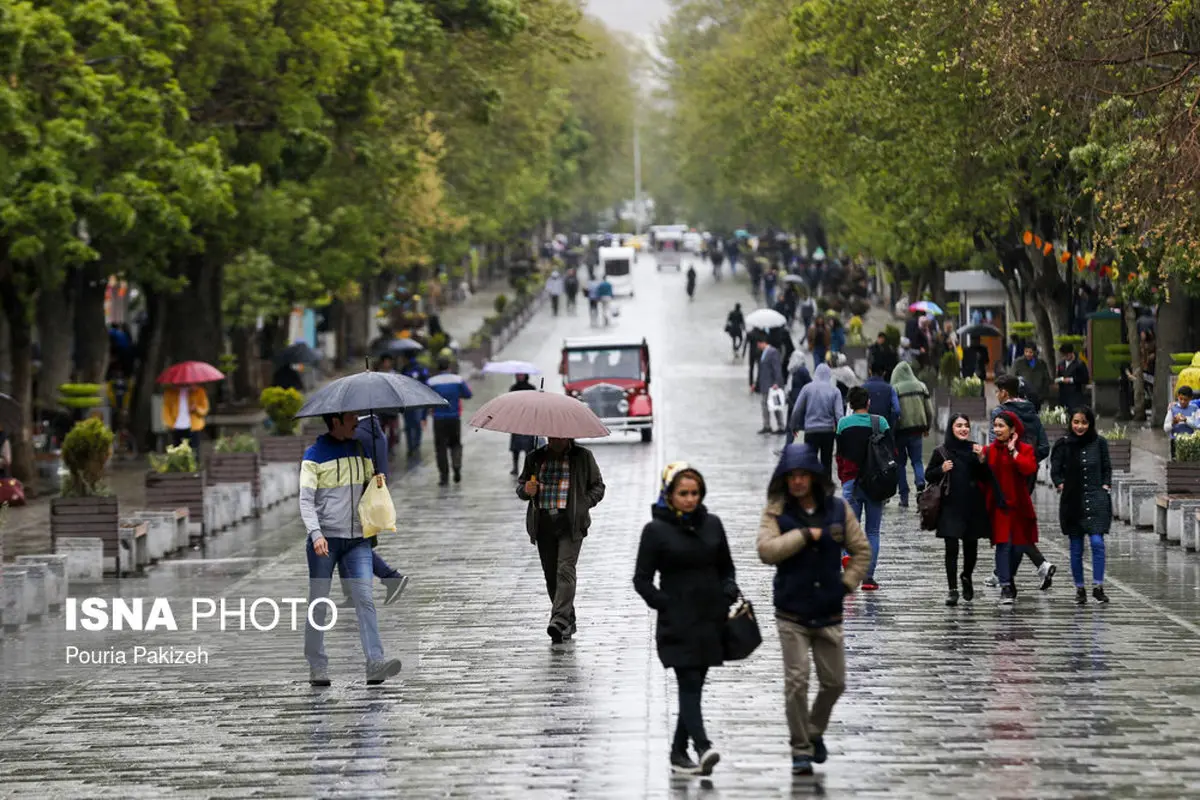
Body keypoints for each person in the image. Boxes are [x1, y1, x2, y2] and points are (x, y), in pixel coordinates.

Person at [756, 444, 871, 777]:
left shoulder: (838, 509)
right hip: (791, 610)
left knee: (834, 683)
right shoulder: (776, 511)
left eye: (803, 474)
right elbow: (766, 550)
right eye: (792, 475)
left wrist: (846, 585)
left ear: (815, 477)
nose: (798, 481)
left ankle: (814, 731)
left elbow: (860, 550)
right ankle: (801, 749)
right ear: (784, 479)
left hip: (829, 609)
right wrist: (803, 535)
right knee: (797, 681)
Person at [633, 462, 737, 776]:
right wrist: (665, 604)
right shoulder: (655, 531)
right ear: (670, 495)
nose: (690, 499)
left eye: (695, 493)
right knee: (689, 683)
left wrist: (728, 590)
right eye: (683, 493)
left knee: (694, 686)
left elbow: (726, 567)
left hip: (710, 620)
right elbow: (642, 580)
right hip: (677, 622)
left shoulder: (713, 524)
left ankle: (678, 751)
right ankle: (703, 746)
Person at [300, 411, 403, 686]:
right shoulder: (314, 455)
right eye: (351, 421)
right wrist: (316, 534)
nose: (357, 425)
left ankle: (375, 663)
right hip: (325, 541)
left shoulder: (360, 449)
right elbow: (306, 501)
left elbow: (370, 484)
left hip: (357, 539)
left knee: (365, 599)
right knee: (319, 603)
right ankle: (317, 665)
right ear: (335, 421)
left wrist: (377, 481)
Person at [517, 437, 606, 643]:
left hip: (570, 524)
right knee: (551, 575)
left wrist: (584, 504)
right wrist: (526, 490)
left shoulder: (583, 457)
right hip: (543, 523)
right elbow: (522, 486)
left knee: (564, 570)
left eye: (560, 436)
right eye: (551, 436)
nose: (556, 439)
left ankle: (558, 620)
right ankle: (568, 619)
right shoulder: (535, 457)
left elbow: (598, 487)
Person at [925, 415, 991, 606]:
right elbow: (929, 475)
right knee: (951, 548)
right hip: (949, 506)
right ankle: (952, 589)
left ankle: (966, 576)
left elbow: (986, 478)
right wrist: (941, 469)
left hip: (972, 507)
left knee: (971, 548)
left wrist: (982, 460)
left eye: (966, 426)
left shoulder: (974, 449)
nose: (963, 429)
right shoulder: (942, 451)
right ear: (951, 429)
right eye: (958, 426)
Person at [1050, 406, 1112, 605]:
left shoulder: (1099, 443)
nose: (1079, 426)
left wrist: (1105, 485)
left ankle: (1098, 586)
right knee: (1076, 547)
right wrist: (1061, 484)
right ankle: (1080, 588)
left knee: (1097, 543)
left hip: (1096, 499)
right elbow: (1055, 469)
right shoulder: (1063, 445)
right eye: (1076, 422)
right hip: (1072, 500)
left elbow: (1106, 467)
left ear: (1090, 423)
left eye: (1084, 422)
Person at [835, 387, 893, 590]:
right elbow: (891, 453)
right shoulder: (881, 423)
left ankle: (849, 558)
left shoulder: (843, 424)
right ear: (868, 403)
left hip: (851, 483)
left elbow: (840, 456)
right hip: (875, 483)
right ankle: (868, 578)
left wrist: (844, 479)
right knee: (873, 531)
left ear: (850, 404)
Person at [986, 411, 1040, 605]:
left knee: (1017, 547)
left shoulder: (1024, 449)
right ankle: (1005, 585)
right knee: (1003, 544)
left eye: (1002, 426)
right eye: (996, 426)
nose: (997, 430)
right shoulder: (990, 450)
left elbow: (1029, 468)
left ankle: (1009, 578)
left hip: (1019, 506)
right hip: (999, 506)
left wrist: (1013, 451)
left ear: (1013, 430)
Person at [889, 362, 933, 508]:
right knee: (917, 461)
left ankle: (904, 497)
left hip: (900, 432)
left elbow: (893, 411)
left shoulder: (895, 388)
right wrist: (927, 426)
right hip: (917, 430)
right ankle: (920, 482)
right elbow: (930, 410)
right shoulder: (921, 386)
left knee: (900, 464)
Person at [788, 363, 844, 475]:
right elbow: (839, 415)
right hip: (828, 432)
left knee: (810, 462)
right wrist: (841, 432)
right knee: (826, 462)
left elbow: (797, 410)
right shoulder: (835, 391)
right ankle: (826, 488)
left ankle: (812, 488)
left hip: (811, 431)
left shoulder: (807, 388)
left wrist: (793, 426)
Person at [428, 357, 473, 486]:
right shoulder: (457, 380)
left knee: (440, 448)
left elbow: (427, 398)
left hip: (439, 419)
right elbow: (468, 394)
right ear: (449, 367)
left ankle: (444, 476)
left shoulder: (432, 381)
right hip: (454, 418)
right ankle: (457, 467)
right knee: (456, 444)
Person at [399, 352, 430, 458]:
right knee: (410, 425)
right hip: (409, 401)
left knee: (414, 423)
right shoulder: (405, 368)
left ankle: (414, 445)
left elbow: (426, 383)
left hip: (416, 400)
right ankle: (412, 446)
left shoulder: (418, 369)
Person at [162, 383, 209, 452]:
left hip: (193, 427)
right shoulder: (170, 392)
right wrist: (169, 424)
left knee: (194, 452)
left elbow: (204, 409)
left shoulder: (199, 391)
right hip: (176, 426)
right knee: (177, 453)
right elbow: (166, 410)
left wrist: (196, 408)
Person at [508, 373, 537, 475]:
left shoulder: (531, 388)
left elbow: (535, 404)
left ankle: (528, 468)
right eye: (518, 375)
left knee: (529, 447)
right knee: (515, 447)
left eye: (522, 375)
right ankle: (515, 467)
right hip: (517, 420)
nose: (520, 377)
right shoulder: (513, 388)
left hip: (528, 420)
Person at [755, 337, 785, 434]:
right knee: (764, 405)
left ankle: (781, 426)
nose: (757, 346)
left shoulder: (773, 352)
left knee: (775, 405)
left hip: (772, 385)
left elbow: (777, 368)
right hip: (765, 384)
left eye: (758, 344)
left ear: (762, 343)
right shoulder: (764, 353)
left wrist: (777, 382)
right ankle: (767, 425)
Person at [1163, 385, 1200, 458]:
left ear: (1190, 399)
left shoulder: (1195, 409)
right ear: (1178, 397)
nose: (1183, 402)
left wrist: (1186, 420)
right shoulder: (1173, 409)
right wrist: (1173, 423)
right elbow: (1165, 428)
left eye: (1185, 400)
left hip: (1192, 443)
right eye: (1181, 399)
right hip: (1175, 442)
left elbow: (1198, 425)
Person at [1013, 344, 1052, 410]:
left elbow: (1046, 379)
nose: (1028, 354)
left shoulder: (1041, 363)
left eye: (1030, 352)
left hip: (1037, 396)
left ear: (1034, 352)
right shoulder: (1018, 363)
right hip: (1023, 396)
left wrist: (1043, 395)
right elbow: (1014, 378)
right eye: (1026, 351)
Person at [862, 364, 900, 429]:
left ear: (870, 371)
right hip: (884, 428)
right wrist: (890, 422)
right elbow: (897, 410)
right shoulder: (890, 388)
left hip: (866, 427)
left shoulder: (862, 388)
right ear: (884, 373)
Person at [1055, 343, 1090, 410]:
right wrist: (1059, 380)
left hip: (1075, 395)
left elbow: (1085, 379)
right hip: (1063, 394)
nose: (1064, 357)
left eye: (1066, 355)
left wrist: (1072, 380)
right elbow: (1059, 375)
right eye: (1063, 355)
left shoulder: (1080, 364)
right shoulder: (1061, 363)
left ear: (1071, 353)